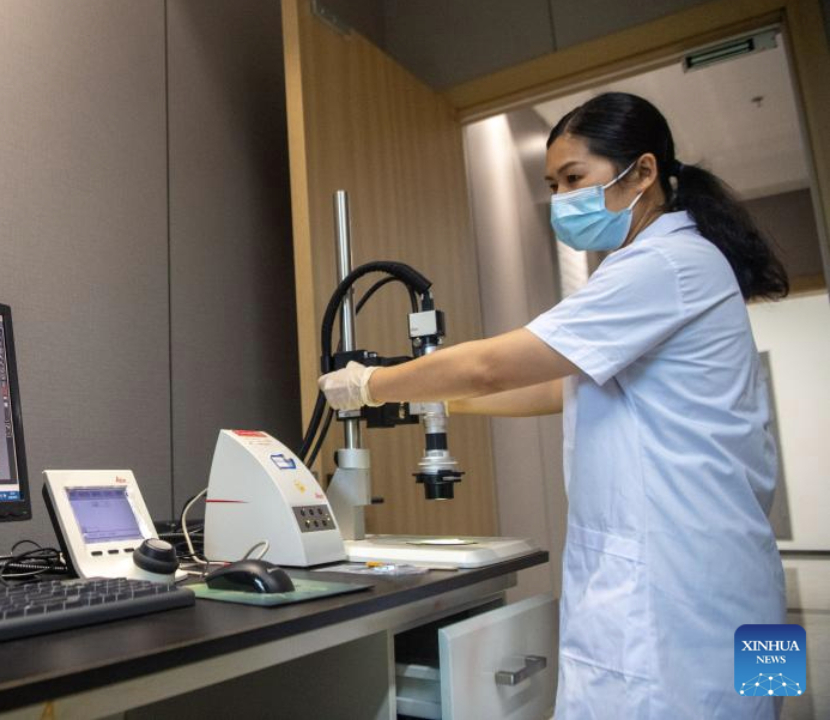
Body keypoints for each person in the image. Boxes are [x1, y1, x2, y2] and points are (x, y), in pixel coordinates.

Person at [319, 92, 789, 719]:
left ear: (644, 171)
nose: (563, 199)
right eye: (553, 184)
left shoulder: (665, 265)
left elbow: (492, 366)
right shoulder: (690, 261)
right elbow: (555, 386)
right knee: (760, 704)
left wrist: (370, 385)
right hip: (737, 574)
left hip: (673, 591)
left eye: (575, 178)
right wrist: (441, 405)